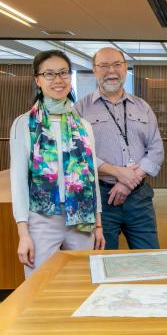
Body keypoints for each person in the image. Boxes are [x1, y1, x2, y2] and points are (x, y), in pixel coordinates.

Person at [10, 50, 105, 277]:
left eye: (63, 73)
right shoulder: (24, 124)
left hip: (81, 219)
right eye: (49, 74)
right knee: (39, 286)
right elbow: (19, 182)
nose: (58, 80)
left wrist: (98, 224)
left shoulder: (83, 125)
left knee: (83, 283)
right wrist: (23, 233)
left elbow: (92, 179)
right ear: (38, 80)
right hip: (42, 219)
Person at [75, 47, 164, 250]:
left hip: (139, 197)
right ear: (94, 70)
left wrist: (129, 182)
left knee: (150, 257)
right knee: (102, 259)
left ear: (125, 68)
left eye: (117, 65)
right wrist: (117, 172)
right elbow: (79, 155)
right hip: (100, 199)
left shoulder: (143, 107)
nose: (111, 71)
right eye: (104, 66)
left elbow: (156, 149)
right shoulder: (80, 110)